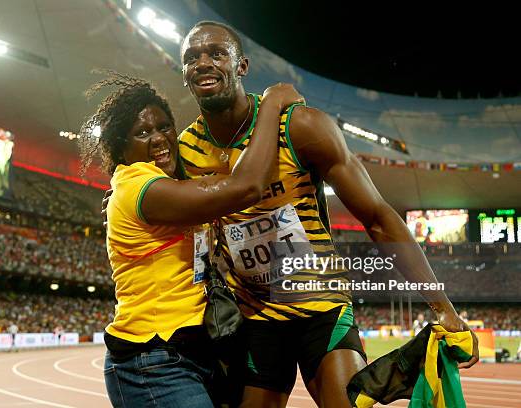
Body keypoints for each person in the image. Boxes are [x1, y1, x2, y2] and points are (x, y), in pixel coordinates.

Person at [175, 20, 479, 408]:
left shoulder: (299, 126)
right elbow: (152, 197)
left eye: (217, 54)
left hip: (321, 304)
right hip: (254, 315)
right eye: (191, 58)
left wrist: (443, 307)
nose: (202, 63)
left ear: (242, 66)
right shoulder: (184, 153)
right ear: (184, 73)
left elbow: (378, 217)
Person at [81, 72, 303, 408]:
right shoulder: (138, 185)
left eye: (164, 127)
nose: (158, 138)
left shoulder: (164, 183)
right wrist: (270, 106)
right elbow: (246, 187)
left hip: (195, 351)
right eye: (142, 132)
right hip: (152, 359)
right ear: (119, 148)